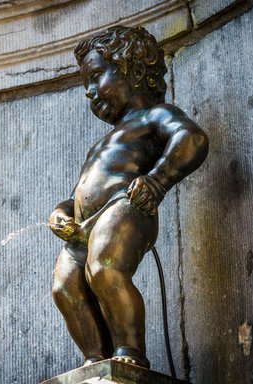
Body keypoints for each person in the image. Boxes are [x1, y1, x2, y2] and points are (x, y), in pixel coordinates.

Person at [48, 26, 209, 369]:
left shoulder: (155, 116)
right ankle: (96, 361)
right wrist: (62, 213)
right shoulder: (100, 144)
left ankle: (129, 353)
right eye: (85, 85)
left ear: (133, 70)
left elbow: (191, 138)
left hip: (128, 206)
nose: (90, 93)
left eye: (95, 78)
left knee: (105, 270)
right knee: (65, 286)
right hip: (84, 226)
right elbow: (80, 193)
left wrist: (157, 181)